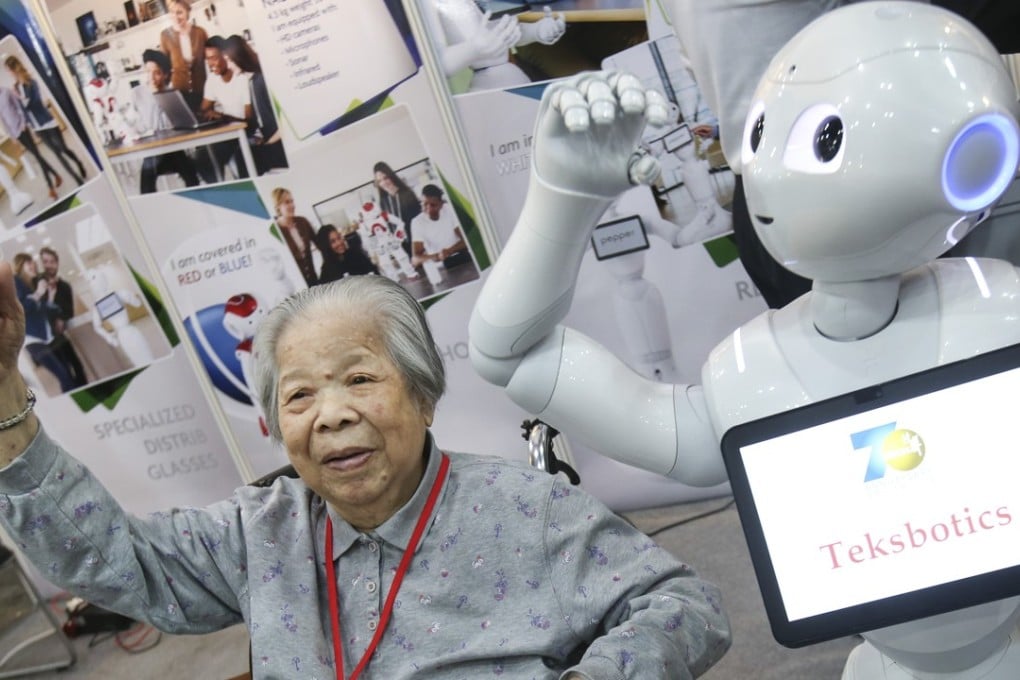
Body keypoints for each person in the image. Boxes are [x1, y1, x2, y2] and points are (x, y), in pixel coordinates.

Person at [0, 269, 731, 679]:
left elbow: (686, 604)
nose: (331, 415)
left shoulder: (525, 511)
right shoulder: (259, 534)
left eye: (358, 378)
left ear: (423, 395)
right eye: (299, 396)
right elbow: (110, 562)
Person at [4, 55, 87, 193]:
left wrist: (21, 99)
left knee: (63, 149)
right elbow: (21, 109)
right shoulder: (15, 88)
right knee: (57, 154)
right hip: (37, 127)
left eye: (9, 70)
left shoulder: (31, 83)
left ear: (14, 69)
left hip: (48, 122)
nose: (9, 73)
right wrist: (25, 123)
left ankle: (78, 162)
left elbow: (35, 103)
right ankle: (77, 179)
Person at [130, 49, 199, 194]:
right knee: (148, 173)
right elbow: (140, 125)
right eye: (148, 71)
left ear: (166, 74)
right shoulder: (137, 93)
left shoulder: (172, 94)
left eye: (157, 72)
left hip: (173, 149)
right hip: (152, 149)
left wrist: (158, 95)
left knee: (191, 176)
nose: (151, 77)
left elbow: (179, 125)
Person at [221, 34, 287, 175]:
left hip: (282, 146)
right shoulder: (252, 81)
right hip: (271, 142)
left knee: (242, 157)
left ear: (238, 57)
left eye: (229, 60)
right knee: (237, 153)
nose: (228, 66)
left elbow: (285, 124)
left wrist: (268, 143)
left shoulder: (262, 80)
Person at [11, 253, 76, 392]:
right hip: (32, 339)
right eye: (29, 263)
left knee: (67, 375)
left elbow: (42, 309)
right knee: (64, 376)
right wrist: (39, 293)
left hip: (46, 337)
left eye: (34, 263)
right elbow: (19, 309)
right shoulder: (15, 281)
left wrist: (50, 296)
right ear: (20, 265)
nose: (34, 265)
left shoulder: (30, 285)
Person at [198, 35, 251, 181]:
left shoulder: (241, 76)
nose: (210, 63)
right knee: (203, 156)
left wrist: (222, 117)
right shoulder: (212, 79)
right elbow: (203, 109)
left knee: (209, 156)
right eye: (207, 59)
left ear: (226, 56)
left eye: (214, 58)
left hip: (246, 133)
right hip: (229, 133)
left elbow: (249, 120)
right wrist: (208, 113)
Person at [0, 81, 62, 201]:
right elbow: (2, 119)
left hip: (22, 128)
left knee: (37, 156)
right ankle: (56, 175)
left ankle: (51, 188)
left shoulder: (7, 92)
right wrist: (11, 135)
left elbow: (19, 108)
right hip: (15, 133)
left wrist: (24, 123)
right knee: (37, 155)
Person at [36, 247, 86, 387]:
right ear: (42, 263)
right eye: (46, 261)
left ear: (57, 263)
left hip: (59, 336)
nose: (49, 265)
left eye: (52, 261)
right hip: (44, 339)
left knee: (77, 366)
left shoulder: (65, 286)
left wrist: (61, 319)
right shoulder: (36, 283)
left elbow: (69, 311)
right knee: (64, 374)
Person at [159, 0, 207, 110]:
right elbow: (163, 67)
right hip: (179, 93)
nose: (176, 17)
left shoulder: (200, 33)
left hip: (202, 91)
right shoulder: (165, 36)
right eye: (172, 12)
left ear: (188, 12)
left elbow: (209, 59)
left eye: (180, 12)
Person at [410, 184, 470, 269]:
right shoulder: (417, 222)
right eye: (425, 204)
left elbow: (467, 240)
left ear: (441, 204)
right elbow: (415, 259)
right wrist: (438, 256)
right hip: (441, 266)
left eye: (433, 205)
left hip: (462, 256)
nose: (429, 209)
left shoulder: (449, 209)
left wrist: (449, 251)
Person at [272, 187, 318, 287]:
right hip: (295, 286)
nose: (292, 205)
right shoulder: (275, 231)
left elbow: (320, 243)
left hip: (313, 281)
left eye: (292, 201)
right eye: (287, 202)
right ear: (277, 207)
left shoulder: (303, 222)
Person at [373, 161, 419, 258]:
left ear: (391, 176)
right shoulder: (383, 202)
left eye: (385, 178)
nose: (384, 183)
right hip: (401, 247)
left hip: (417, 242)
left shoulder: (407, 194)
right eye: (380, 181)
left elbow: (418, 221)